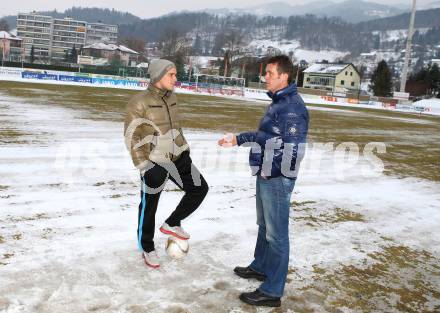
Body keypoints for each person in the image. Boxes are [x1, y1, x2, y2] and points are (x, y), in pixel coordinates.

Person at [218, 55, 309, 307]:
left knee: (277, 235)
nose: (265, 77)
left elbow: (294, 150)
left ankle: (272, 291)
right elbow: (265, 135)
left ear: (284, 76)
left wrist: (273, 173)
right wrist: (238, 139)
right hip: (266, 173)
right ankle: (260, 267)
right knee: (264, 226)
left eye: (269, 73)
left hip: (276, 178)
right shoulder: (278, 102)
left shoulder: (291, 107)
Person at [124, 59, 209, 269]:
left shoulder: (173, 98)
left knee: (199, 188)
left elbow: (176, 127)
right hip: (154, 162)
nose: (175, 79)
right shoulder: (139, 102)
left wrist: (184, 147)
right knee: (149, 207)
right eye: (171, 74)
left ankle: (172, 223)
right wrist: (144, 165)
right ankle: (147, 247)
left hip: (178, 157)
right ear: (158, 75)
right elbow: (132, 136)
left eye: (175, 74)